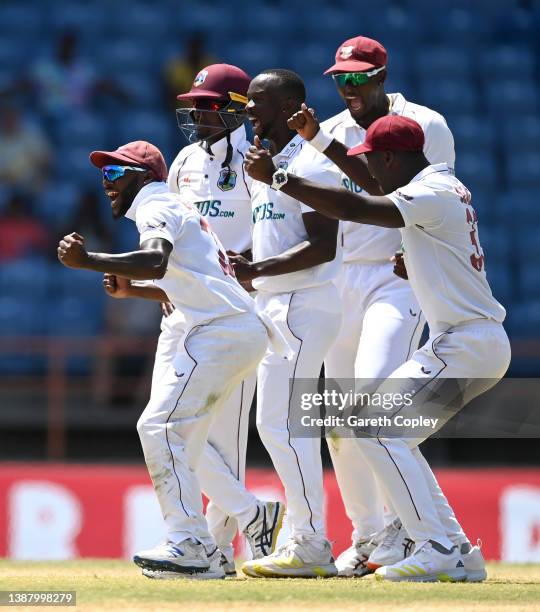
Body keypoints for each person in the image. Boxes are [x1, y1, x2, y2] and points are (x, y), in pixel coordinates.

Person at [243, 114, 511, 582]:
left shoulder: (428, 192)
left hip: (467, 342)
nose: (372, 176)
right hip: (474, 342)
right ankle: (456, 550)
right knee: (390, 433)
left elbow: (357, 207)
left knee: (371, 424)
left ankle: (436, 546)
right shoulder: (444, 187)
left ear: (391, 156)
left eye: (373, 163)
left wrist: (282, 178)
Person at [287, 35, 475, 579]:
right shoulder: (332, 129)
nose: (349, 88)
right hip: (341, 276)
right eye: (341, 79)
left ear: (383, 73)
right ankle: (369, 534)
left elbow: (415, 199)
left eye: (359, 77)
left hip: (395, 280)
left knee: (374, 398)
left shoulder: (424, 124)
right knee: (339, 421)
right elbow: (312, 210)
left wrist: (317, 141)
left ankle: (407, 532)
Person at [57, 140, 270, 579]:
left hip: (221, 331)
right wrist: (132, 290)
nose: (107, 183)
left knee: (158, 425)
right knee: (178, 435)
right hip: (231, 327)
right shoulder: (176, 209)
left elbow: (155, 260)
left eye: (117, 174)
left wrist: (88, 261)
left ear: (144, 177)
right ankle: (218, 544)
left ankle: (189, 540)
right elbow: (192, 281)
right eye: (104, 174)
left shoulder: (157, 205)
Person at [163, 63, 285, 575]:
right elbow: (165, 229)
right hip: (183, 310)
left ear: (237, 109)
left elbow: (275, 226)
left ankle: (215, 548)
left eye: (209, 105)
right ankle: (248, 516)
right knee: (167, 423)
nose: (198, 114)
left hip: (236, 312)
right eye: (194, 106)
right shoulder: (185, 160)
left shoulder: (258, 159)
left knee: (223, 439)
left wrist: (250, 262)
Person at [230, 69, 342, 578]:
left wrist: (258, 271)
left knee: (282, 425)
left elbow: (323, 244)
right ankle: (307, 537)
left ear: (291, 104)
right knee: (277, 425)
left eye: (259, 101)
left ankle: (311, 543)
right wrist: (248, 261)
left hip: (302, 301)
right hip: (277, 300)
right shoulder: (264, 165)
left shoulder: (312, 161)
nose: (248, 110)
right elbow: (280, 237)